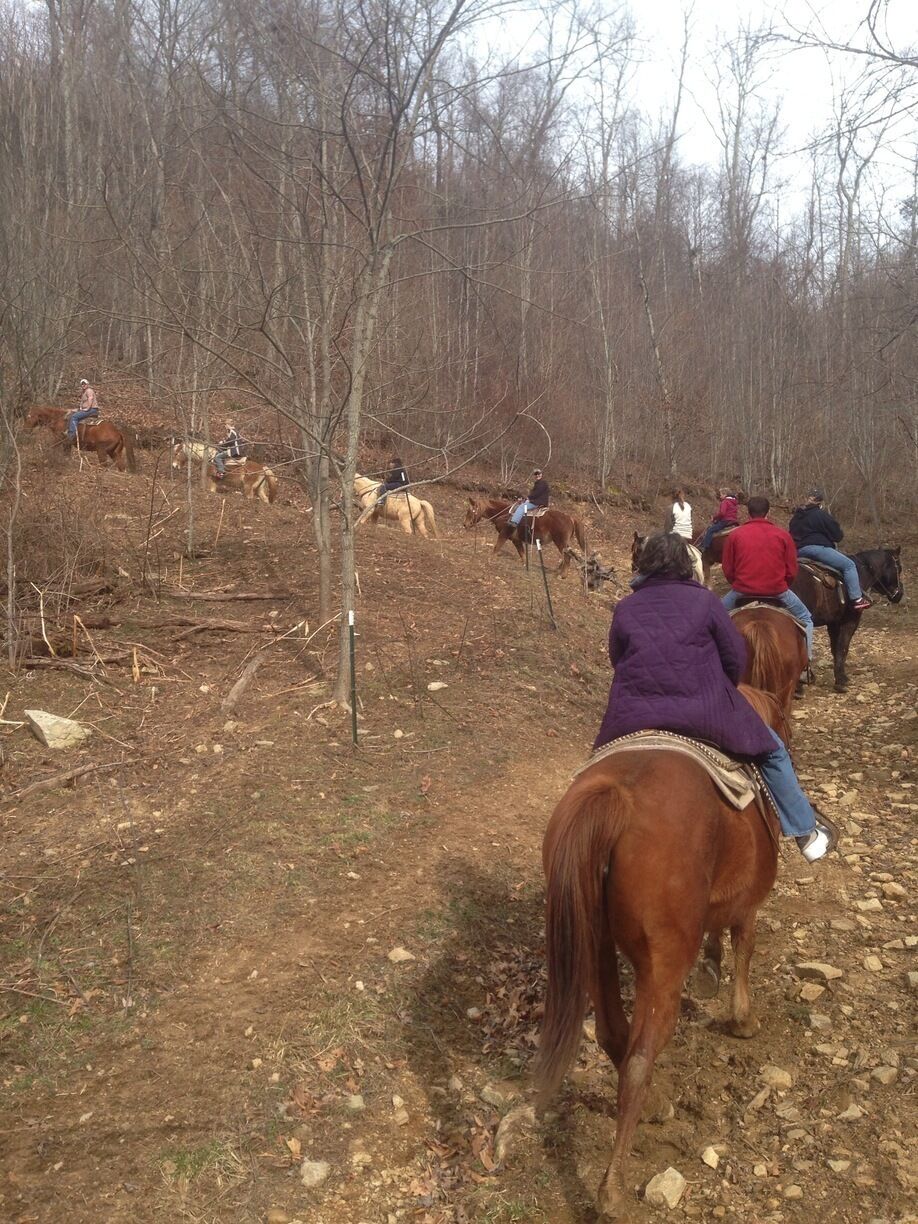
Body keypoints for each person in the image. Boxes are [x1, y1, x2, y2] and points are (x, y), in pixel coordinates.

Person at [594, 533, 834, 862]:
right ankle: (806, 833)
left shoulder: (625, 607)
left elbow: (617, 658)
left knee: (595, 767)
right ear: (685, 564)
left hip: (632, 711)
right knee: (774, 751)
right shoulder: (706, 602)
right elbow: (735, 659)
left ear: (645, 564)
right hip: (703, 710)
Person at [720, 496, 814, 663]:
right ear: (768, 512)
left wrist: (738, 583)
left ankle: (715, 663)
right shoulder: (783, 535)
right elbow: (792, 569)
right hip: (777, 590)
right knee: (805, 617)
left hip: (742, 590)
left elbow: (727, 568)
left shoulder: (735, 535)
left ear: (748, 513)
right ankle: (805, 664)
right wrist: (783, 584)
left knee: (715, 616)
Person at [789, 488, 871, 612]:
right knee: (849, 565)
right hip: (817, 550)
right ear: (819, 502)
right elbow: (837, 536)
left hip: (798, 552)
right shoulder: (821, 515)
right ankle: (857, 599)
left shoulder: (796, 517)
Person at [698, 487, 739, 552]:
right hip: (733, 521)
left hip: (726, 520)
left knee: (710, 530)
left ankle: (704, 546)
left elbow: (722, 513)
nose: (720, 496)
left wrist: (714, 518)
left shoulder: (725, 502)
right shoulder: (734, 503)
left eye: (721, 495)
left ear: (725, 494)